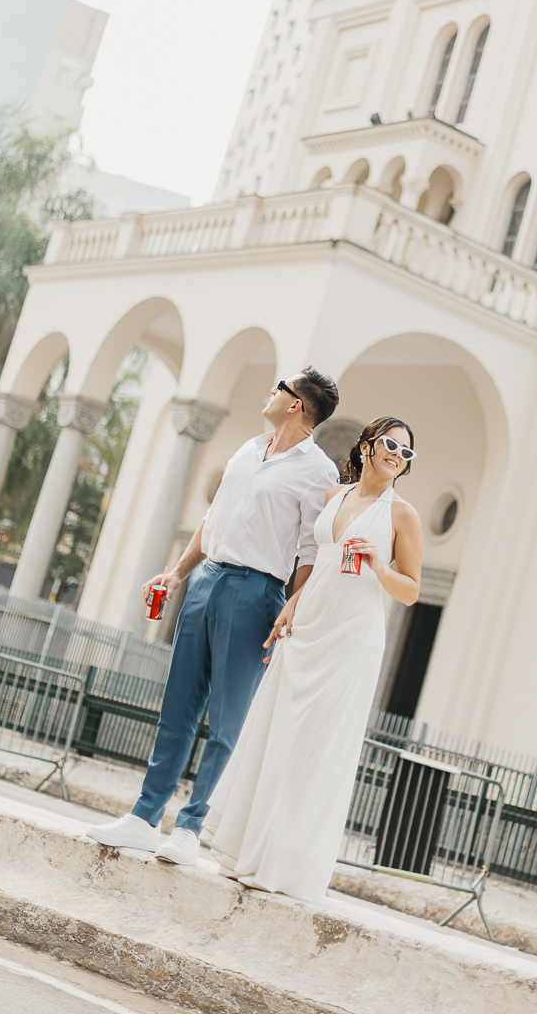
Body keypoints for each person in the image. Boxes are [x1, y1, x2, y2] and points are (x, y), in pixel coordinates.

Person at [88, 367, 340, 865]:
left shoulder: (319, 471)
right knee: (177, 708)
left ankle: (190, 828)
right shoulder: (248, 449)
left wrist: (293, 604)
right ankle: (144, 817)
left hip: (257, 591)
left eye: (280, 387)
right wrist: (177, 574)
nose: (271, 391)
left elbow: (311, 551)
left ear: (296, 404)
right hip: (206, 582)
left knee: (226, 722)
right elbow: (213, 519)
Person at [202, 416, 423, 903]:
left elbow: (410, 591)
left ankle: (283, 866)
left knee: (314, 746)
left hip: (350, 638)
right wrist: (291, 606)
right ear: (366, 445)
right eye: (390, 445)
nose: (396, 455)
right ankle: (248, 851)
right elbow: (321, 564)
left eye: (406, 453)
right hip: (307, 628)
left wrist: (379, 565)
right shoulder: (334, 496)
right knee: (278, 734)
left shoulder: (402, 515)